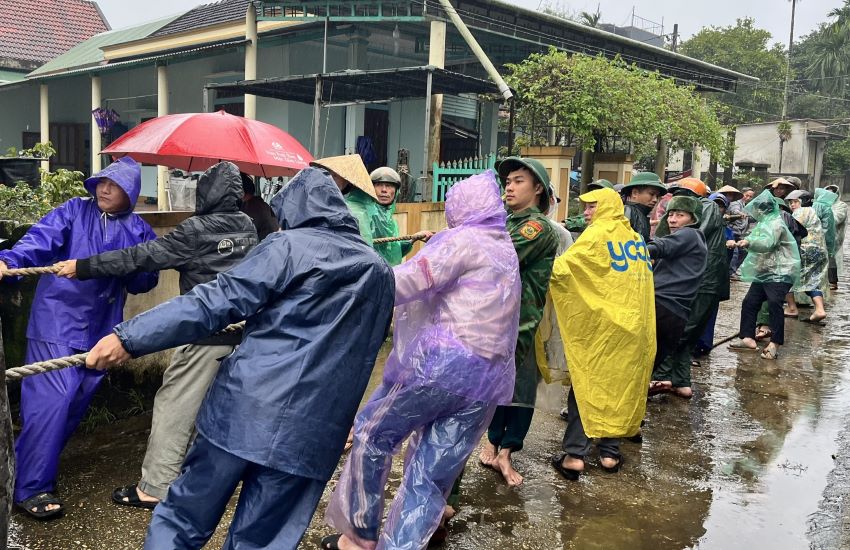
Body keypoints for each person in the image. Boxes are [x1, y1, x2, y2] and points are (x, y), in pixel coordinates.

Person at [85, 167, 395, 549]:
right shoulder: (381, 272)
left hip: (242, 412)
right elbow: (363, 358)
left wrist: (129, 337)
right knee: (261, 541)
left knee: (182, 518)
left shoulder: (286, 247)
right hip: (313, 433)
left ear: (295, 209)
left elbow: (213, 302)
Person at [321, 171, 521, 550]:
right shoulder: (503, 246)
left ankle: (359, 536)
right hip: (486, 381)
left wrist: (344, 287)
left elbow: (407, 281)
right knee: (431, 473)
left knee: (372, 434)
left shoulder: (461, 240)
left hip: (440, 367)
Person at [56, 161, 258, 510]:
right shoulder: (247, 225)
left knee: (174, 407)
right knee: (218, 408)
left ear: (204, 193)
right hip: (245, 334)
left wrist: (84, 266)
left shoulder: (196, 230)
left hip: (204, 335)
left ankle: (155, 487)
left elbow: (142, 257)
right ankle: (204, 478)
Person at [0, 157, 159, 519]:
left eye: (115, 185)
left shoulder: (139, 230)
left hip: (103, 329)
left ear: (131, 192)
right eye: (102, 181)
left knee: (74, 404)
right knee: (51, 403)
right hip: (56, 321)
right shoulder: (74, 210)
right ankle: (30, 488)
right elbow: (39, 240)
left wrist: (131, 266)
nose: (105, 188)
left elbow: (145, 281)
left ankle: (27, 472)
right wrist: (8, 261)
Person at [549, 187, 655, 479]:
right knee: (620, 390)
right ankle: (610, 454)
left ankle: (574, 455)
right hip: (636, 330)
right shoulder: (636, 239)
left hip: (602, 331)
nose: (586, 212)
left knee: (588, 389)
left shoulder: (596, 235)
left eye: (592, 206)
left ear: (607, 207)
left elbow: (562, 271)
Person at [481, 156, 558, 486]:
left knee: (520, 385)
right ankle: (492, 441)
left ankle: (507, 450)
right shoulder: (506, 221)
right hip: (497, 318)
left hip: (522, 322)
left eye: (518, 181)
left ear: (538, 188)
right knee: (496, 382)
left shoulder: (536, 228)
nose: (509, 187)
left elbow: (497, 258)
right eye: (507, 182)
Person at [653, 178, 727, 399]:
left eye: (680, 213)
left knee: (678, 334)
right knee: (687, 334)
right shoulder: (695, 224)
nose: (673, 218)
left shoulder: (699, 219)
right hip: (700, 284)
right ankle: (681, 381)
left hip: (700, 285)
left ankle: (662, 377)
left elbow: (673, 242)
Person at [728, 190, 801, 360]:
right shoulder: (764, 223)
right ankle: (747, 338)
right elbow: (752, 239)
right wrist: (741, 242)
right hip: (765, 271)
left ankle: (775, 343)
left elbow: (767, 243)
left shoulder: (776, 223)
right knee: (750, 302)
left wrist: (749, 242)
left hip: (780, 272)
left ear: (763, 210)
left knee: (774, 303)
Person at [647, 196, 708, 396]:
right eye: (670, 215)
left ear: (693, 219)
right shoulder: (697, 239)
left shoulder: (689, 234)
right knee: (650, 364)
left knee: (639, 362)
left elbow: (660, 247)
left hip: (662, 306)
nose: (672, 220)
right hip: (677, 312)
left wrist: (632, 251)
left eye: (680, 215)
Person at [369, 166, 433, 265]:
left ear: (396, 191)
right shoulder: (364, 215)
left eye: (389, 186)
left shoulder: (390, 221)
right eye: (379, 185)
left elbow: (393, 253)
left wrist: (413, 238)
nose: (384, 190)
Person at [312, 155, 380, 245]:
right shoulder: (318, 200)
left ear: (346, 180)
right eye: (328, 174)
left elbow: (363, 245)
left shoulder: (356, 211)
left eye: (336, 175)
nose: (330, 179)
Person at [783, 190, 828, 323]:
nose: (792, 205)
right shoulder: (812, 212)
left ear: (803, 202)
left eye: (795, 202)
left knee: (786, 276)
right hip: (818, 251)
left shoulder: (800, 212)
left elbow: (791, 230)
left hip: (803, 250)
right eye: (790, 202)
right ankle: (819, 309)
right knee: (812, 280)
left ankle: (792, 308)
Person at [621, 172, 666, 243]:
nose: (655, 200)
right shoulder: (626, 213)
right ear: (635, 193)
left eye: (657, 196)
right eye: (651, 194)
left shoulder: (641, 214)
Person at [239, 172, 279, 240]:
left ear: (241, 191)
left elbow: (244, 234)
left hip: (263, 243)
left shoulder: (252, 208)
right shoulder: (260, 204)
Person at [826, 184, 847, 288]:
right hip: (822, 235)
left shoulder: (841, 205)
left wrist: (825, 213)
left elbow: (837, 218)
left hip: (835, 236)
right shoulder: (823, 204)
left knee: (831, 257)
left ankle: (833, 282)